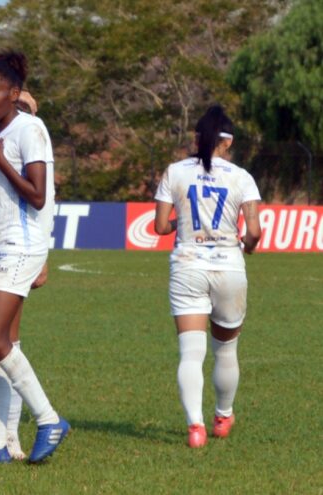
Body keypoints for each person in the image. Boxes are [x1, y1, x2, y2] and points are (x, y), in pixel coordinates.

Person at [0, 51, 69, 464]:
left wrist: (0, 159)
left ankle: (49, 419)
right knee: (0, 346)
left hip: (19, 246)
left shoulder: (29, 129)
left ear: (14, 95)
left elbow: (39, 194)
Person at [153, 105, 262, 448]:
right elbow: (255, 232)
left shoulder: (175, 171)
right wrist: (247, 244)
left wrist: (181, 224)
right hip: (229, 266)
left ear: (197, 138)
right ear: (227, 143)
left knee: (191, 352)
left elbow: (159, 226)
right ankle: (222, 415)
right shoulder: (241, 176)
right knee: (226, 350)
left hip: (188, 265)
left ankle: (195, 427)